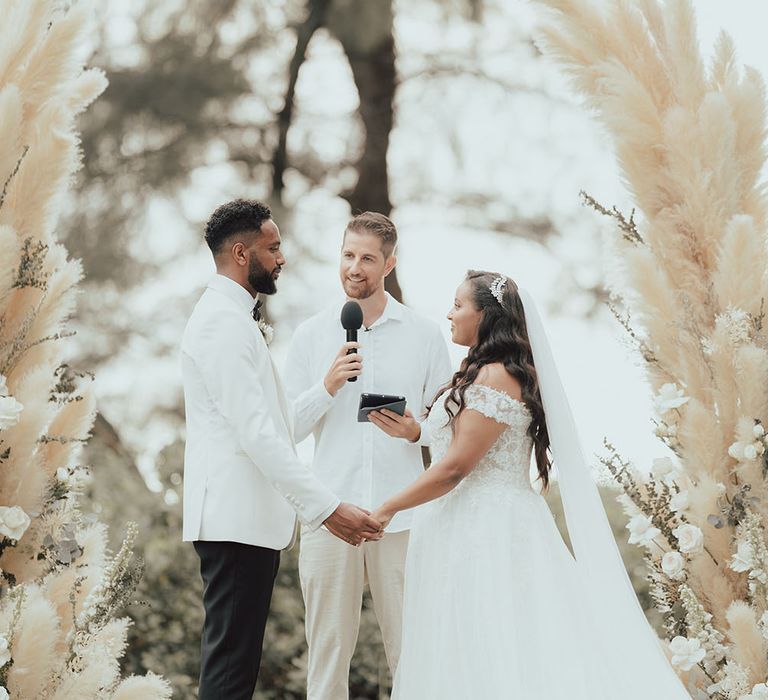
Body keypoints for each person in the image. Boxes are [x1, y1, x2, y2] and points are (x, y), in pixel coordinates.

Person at [371, 270, 692, 699]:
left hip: (487, 530)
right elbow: (455, 440)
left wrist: (389, 506)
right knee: (462, 644)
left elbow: (454, 468)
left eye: (458, 305)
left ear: (484, 316)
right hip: (461, 525)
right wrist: (414, 431)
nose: (449, 314)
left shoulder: (497, 376)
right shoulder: (478, 372)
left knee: (496, 645)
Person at [180, 199, 383, 700]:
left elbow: (274, 424)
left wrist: (326, 389)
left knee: (237, 668)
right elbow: (256, 435)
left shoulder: (234, 317)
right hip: (234, 521)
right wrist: (326, 507)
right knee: (229, 673)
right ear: (241, 252)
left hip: (247, 523)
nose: (282, 258)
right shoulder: (221, 324)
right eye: (273, 248)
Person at [284, 212, 452, 700]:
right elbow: (287, 429)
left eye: (367, 258)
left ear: (389, 264)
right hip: (330, 516)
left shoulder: (423, 335)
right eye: (348, 255)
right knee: (327, 660)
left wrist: (414, 430)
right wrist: (327, 385)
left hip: (401, 521)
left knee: (411, 653)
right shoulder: (312, 335)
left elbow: (446, 430)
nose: (355, 268)